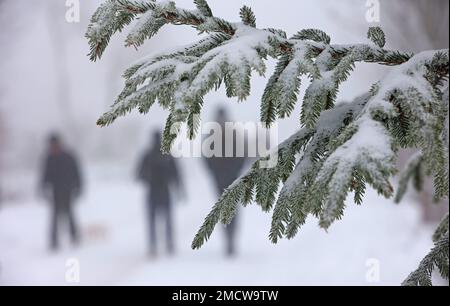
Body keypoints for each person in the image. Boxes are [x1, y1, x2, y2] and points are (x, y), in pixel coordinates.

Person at [204, 107, 247, 257]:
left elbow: (206, 157)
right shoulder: (232, 132)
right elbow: (244, 154)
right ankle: (230, 240)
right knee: (231, 209)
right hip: (230, 177)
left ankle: (229, 240)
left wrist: (213, 172)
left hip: (223, 177)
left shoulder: (214, 133)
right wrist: (237, 171)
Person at [137, 131, 184, 258]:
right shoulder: (166, 155)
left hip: (154, 191)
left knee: (154, 221)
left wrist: (147, 177)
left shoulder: (148, 155)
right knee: (166, 220)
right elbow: (177, 174)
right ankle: (167, 244)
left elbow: (138, 174)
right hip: (162, 191)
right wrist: (180, 189)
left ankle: (155, 245)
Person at [40, 133, 82, 251]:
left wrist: (79, 187)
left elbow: (77, 172)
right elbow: (44, 175)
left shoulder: (68, 156)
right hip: (55, 191)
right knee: (54, 217)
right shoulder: (49, 158)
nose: (53, 147)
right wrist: (42, 188)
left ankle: (74, 237)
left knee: (70, 214)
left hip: (68, 190)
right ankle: (54, 241)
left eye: (55, 144)